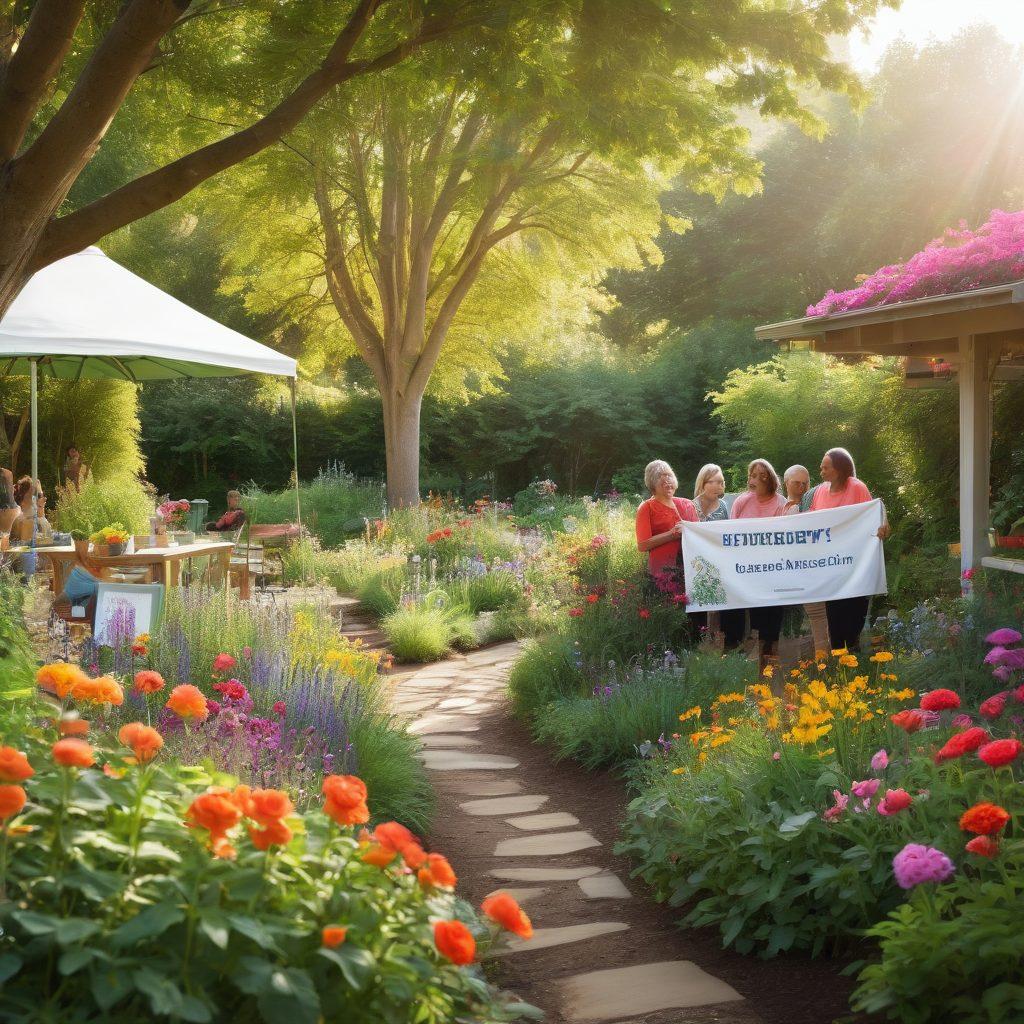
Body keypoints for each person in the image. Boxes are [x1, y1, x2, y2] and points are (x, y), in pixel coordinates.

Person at [809, 447, 890, 651]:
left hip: (856, 566)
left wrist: (883, 525)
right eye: (821, 468)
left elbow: (875, 512)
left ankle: (854, 663)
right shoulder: (819, 491)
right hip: (831, 567)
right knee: (834, 618)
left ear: (840, 469)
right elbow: (811, 520)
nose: (821, 472)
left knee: (853, 618)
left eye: (826, 468)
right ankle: (839, 665)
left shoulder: (857, 487)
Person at [721, 459, 788, 654]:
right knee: (746, 611)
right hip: (745, 568)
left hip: (772, 569)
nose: (754, 479)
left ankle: (769, 654)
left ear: (770, 479)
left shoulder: (780, 503)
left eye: (760, 475)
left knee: (770, 614)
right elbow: (730, 533)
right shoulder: (742, 500)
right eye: (752, 475)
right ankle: (741, 650)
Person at [783, 464, 830, 656]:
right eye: (796, 483)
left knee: (822, 616)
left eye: (806, 482)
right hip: (789, 571)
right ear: (786, 483)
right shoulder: (779, 507)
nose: (802, 486)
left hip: (819, 568)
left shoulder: (818, 502)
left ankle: (827, 664)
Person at [635, 460, 697, 578]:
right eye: (663, 482)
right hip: (662, 573)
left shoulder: (687, 504)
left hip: (690, 567)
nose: (668, 483)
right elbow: (642, 545)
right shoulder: (646, 507)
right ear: (653, 484)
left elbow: (699, 534)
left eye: (670, 478)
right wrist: (671, 534)